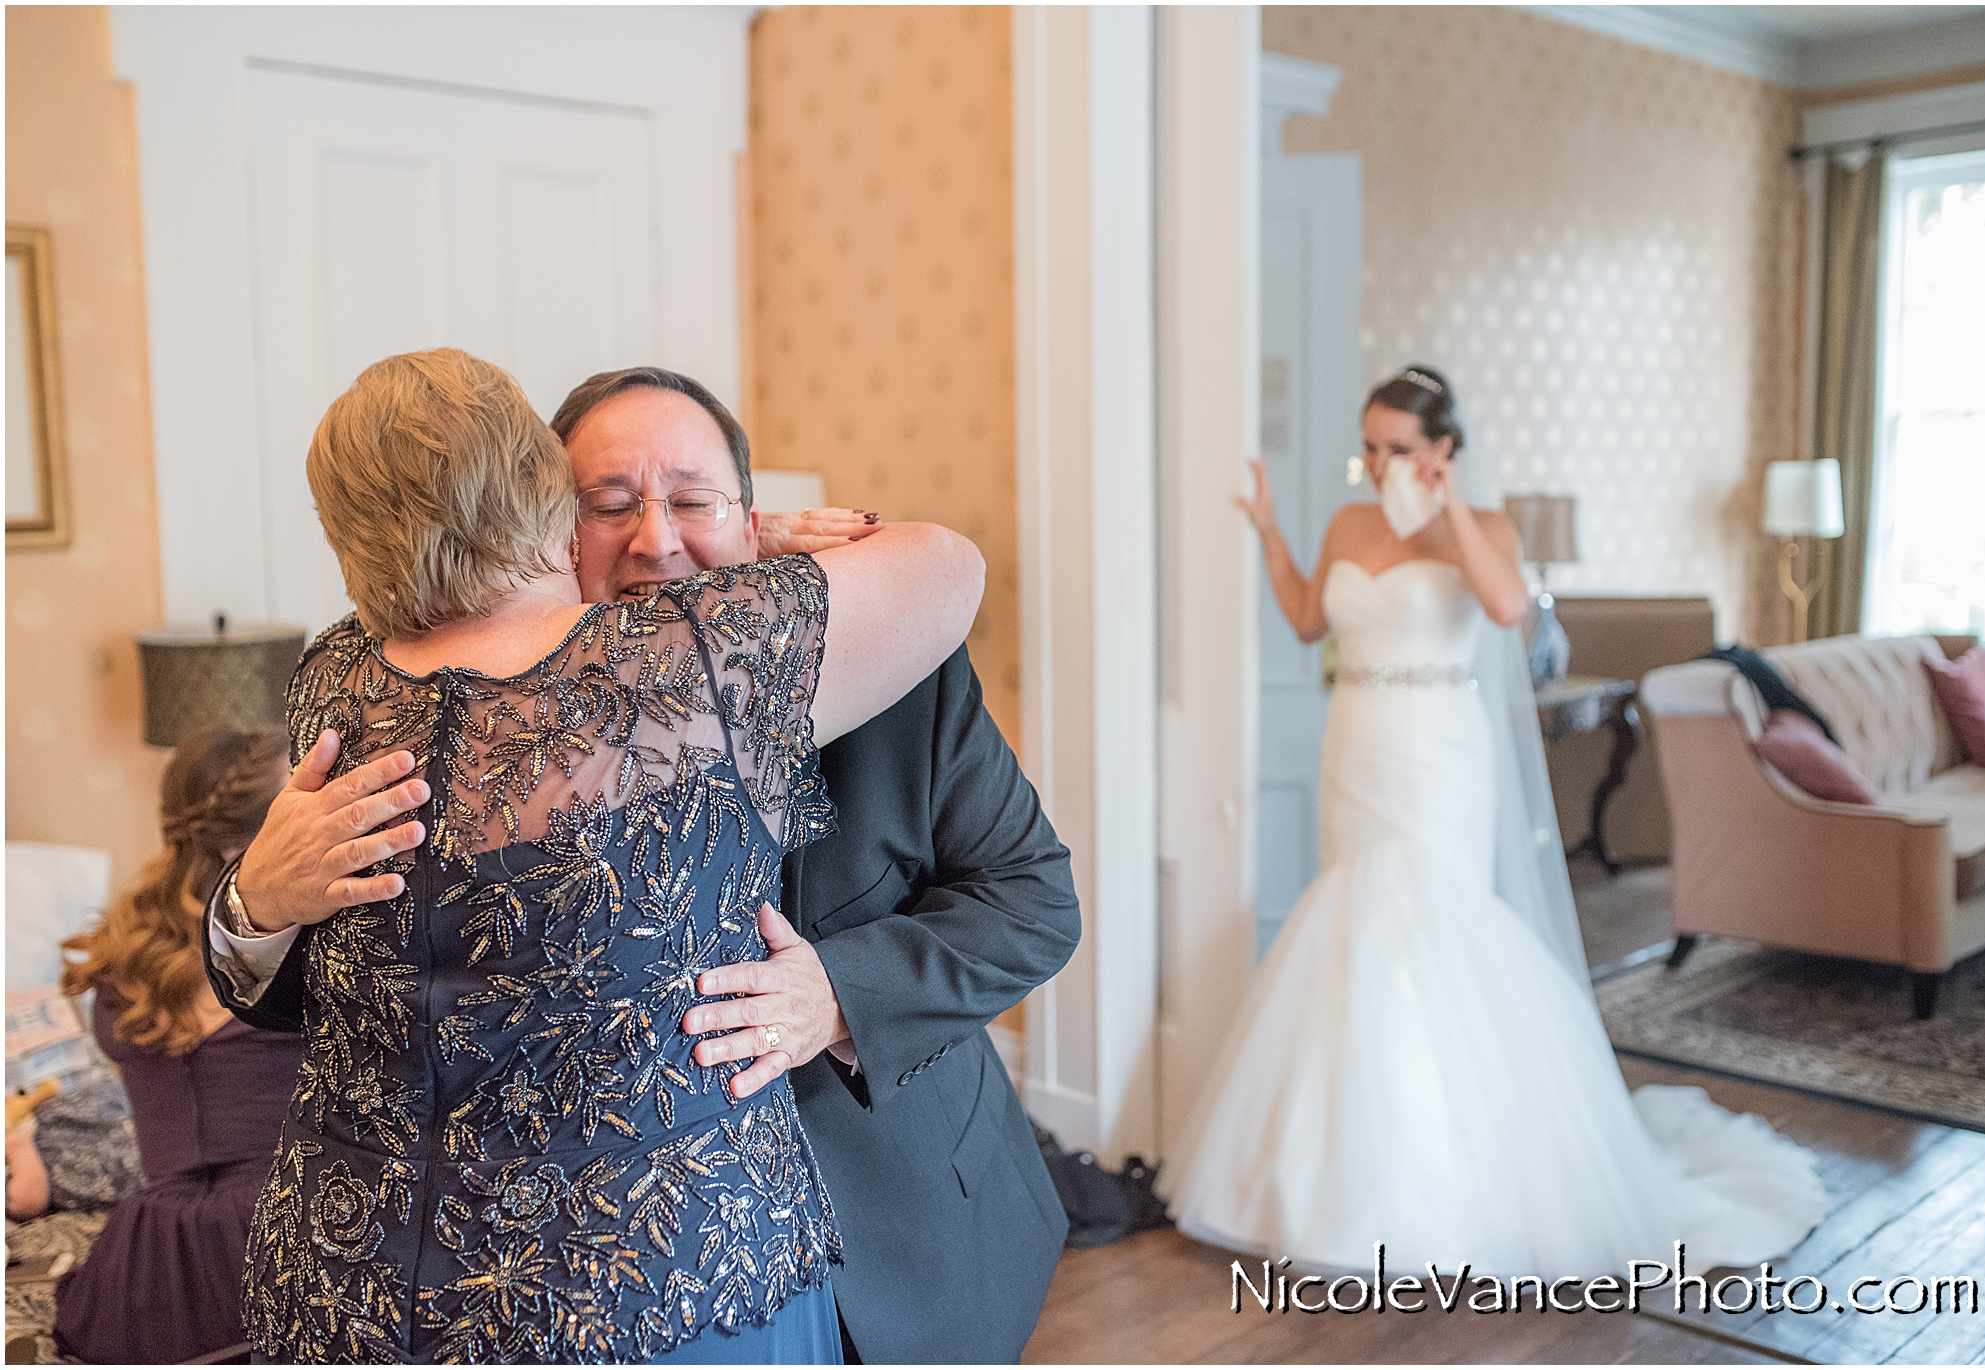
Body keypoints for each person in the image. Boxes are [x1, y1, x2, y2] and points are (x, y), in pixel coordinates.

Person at [209, 365, 1080, 1362]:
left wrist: (833, 995)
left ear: (757, 524)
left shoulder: (902, 668)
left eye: (692, 500)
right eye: (608, 503)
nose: (656, 539)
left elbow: (1032, 902)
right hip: (621, 1292)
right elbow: (341, 987)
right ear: (540, 525)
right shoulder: (400, 696)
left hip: (897, 1227)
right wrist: (250, 899)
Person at [1159, 364, 1828, 1276]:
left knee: (1431, 929)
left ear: (1441, 449)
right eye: (1370, 444)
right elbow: (1312, 619)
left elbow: (1510, 610)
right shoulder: (1350, 522)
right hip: (1355, 744)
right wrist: (1270, 531)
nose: (1380, 460)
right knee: (1351, 931)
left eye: (1400, 446)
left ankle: (1451, 1180)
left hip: (1441, 752)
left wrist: (1453, 511)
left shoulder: (1485, 529)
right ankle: (1334, 1176)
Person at [39, 727, 304, 1364]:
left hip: (146, 1260)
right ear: (263, 833)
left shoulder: (123, 955)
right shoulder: (307, 945)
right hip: (278, 1234)